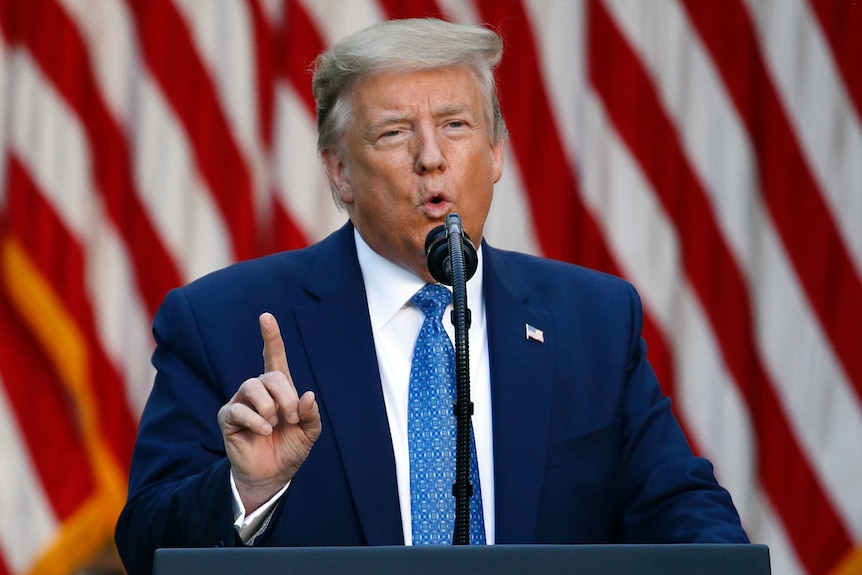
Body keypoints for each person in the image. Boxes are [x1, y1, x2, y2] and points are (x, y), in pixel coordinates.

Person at [115, 17, 748, 575]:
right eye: (394, 133)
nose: (431, 158)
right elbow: (145, 546)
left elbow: (685, 515)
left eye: (456, 125)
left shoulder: (594, 323)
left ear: (496, 152)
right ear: (339, 172)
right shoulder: (221, 323)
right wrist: (245, 492)